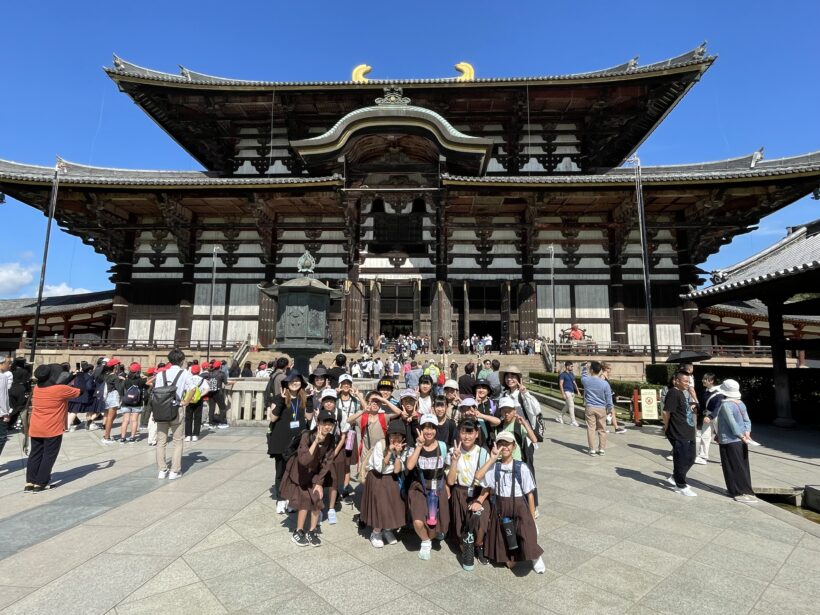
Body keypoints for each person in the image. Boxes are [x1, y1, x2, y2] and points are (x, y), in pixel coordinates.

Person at [477, 431, 545, 573]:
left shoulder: (522, 467)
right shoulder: (494, 466)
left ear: (514, 446)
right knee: (509, 563)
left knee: (527, 533)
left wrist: (532, 519)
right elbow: (478, 476)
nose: (505, 447)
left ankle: (535, 556)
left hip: (519, 505)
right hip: (501, 507)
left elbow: (530, 495)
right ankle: (513, 555)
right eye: (501, 443)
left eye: (508, 444)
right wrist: (492, 458)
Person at [281, 409, 338, 547]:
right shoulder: (307, 435)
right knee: (304, 500)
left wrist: (319, 482)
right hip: (300, 472)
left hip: (315, 473)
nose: (328, 427)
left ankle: (312, 531)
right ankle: (298, 531)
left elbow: (327, 463)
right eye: (325, 423)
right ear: (318, 422)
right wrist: (316, 441)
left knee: (317, 498)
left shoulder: (331, 439)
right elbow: (304, 460)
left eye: (331, 424)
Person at [447, 419, 496, 570]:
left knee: (481, 522)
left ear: (476, 434)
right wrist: (454, 460)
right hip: (459, 492)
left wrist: (480, 501)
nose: (467, 436)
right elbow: (450, 481)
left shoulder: (483, 453)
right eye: (463, 432)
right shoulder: (453, 451)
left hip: (479, 493)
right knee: (461, 527)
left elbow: (489, 482)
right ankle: (466, 547)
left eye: (470, 432)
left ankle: (479, 545)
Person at [25, 364, 80, 492]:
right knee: (49, 455)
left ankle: (30, 483)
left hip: (36, 426)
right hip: (52, 428)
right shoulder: (60, 390)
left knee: (35, 454)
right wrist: (77, 376)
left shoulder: (37, 388)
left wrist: (70, 377)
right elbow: (80, 391)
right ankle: (41, 483)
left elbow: (56, 385)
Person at [405, 414, 451, 561]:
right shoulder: (415, 446)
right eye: (425, 427)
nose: (428, 431)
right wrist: (419, 446)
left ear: (436, 429)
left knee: (435, 526)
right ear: (420, 429)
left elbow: (448, 469)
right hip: (419, 487)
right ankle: (425, 541)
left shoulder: (443, 447)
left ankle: (431, 536)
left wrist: (448, 486)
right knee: (418, 521)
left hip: (438, 487)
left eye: (432, 427)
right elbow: (410, 465)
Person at [268, 371, 314, 514]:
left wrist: (310, 400)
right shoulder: (278, 398)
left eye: (298, 381)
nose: (295, 383)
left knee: (296, 472)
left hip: (297, 441)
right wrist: (281, 401)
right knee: (281, 471)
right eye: (292, 381)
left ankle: (293, 499)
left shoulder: (303, 398)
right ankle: (281, 498)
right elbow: (273, 418)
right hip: (281, 440)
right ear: (287, 383)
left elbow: (309, 417)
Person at [360, 420, 408, 548]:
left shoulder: (404, 448)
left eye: (399, 434)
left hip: (391, 478)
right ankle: (376, 533)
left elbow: (398, 469)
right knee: (380, 506)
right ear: (388, 435)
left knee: (393, 505)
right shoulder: (380, 445)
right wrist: (390, 452)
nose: (396, 437)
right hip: (377, 478)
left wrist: (397, 454)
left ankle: (387, 530)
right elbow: (379, 468)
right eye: (393, 434)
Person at [154, 349, 196, 480]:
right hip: (177, 407)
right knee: (178, 441)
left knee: (161, 441)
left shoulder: (162, 374)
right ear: (182, 360)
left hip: (161, 409)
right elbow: (193, 388)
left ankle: (162, 470)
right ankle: (174, 470)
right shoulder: (185, 373)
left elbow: (156, 391)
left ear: (169, 360)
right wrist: (186, 402)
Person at [715, 379, 757, 503]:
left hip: (729, 440)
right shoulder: (740, 403)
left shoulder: (725, 405)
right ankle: (739, 489)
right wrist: (746, 434)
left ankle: (739, 492)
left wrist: (740, 435)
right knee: (742, 465)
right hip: (742, 440)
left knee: (731, 465)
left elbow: (732, 423)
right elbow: (747, 420)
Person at [663, 370, 698, 497]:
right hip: (678, 433)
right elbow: (666, 412)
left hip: (688, 432)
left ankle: (675, 477)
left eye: (689, 382)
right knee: (681, 459)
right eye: (685, 381)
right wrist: (666, 427)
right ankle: (680, 485)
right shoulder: (673, 393)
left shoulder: (682, 393)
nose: (687, 384)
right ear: (676, 381)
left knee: (691, 457)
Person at [580, 362, 613, 455]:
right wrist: (610, 408)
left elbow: (583, 376)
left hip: (590, 407)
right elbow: (608, 397)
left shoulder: (586, 380)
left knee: (591, 428)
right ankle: (602, 449)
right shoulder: (605, 383)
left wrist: (585, 368)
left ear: (591, 370)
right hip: (601, 408)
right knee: (602, 429)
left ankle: (592, 449)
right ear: (600, 371)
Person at [696, 373, 722, 464]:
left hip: (717, 416)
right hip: (707, 416)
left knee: (721, 437)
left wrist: (711, 416)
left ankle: (725, 458)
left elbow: (718, 407)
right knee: (705, 435)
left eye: (706, 379)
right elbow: (704, 405)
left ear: (712, 381)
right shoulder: (706, 391)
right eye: (703, 378)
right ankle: (702, 456)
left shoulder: (719, 392)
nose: (703, 380)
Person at [119, 363, 148, 443]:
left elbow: (121, 390)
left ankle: (122, 437)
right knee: (134, 420)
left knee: (125, 420)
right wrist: (146, 378)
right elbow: (147, 387)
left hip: (126, 402)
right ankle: (132, 437)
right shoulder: (142, 380)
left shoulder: (126, 380)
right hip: (137, 403)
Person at [184, 363, 210, 442]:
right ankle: (195, 435)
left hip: (189, 399)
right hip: (198, 400)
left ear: (191, 371)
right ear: (199, 371)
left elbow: (184, 389)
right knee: (197, 417)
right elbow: (207, 389)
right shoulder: (202, 380)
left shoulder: (188, 379)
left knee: (188, 417)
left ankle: (188, 435)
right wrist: (200, 395)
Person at [101, 358, 124, 444]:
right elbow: (119, 388)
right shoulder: (115, 377)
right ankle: (106, 437)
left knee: (110, 416)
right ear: (115, 366)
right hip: (112, 397)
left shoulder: (106, 375)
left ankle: (106, 435)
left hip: (106, 397)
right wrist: (122, 381)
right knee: (110, 418)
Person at [66, 362, 94, 431]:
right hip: (80, 396)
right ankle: (67, 426)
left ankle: (66, 425)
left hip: (72, 394)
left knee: (71, 411)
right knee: (74, 411)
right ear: (89, 370)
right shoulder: (88, 377)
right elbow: (89, 387)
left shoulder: (77, 375)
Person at [601, 362, 626, 434]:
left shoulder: (606, 376)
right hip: (606, 398)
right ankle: (616, 428)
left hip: (608, 397)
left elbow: (609, 388)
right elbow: (602, 387)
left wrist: (614, 394)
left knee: (609, 412)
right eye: (609, 368)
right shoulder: (602, 376)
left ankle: (609, 427)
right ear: (605, 368)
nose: (610, 370)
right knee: (611, 412)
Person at [206, 360, 229, 429]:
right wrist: (233, 383)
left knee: (211, 408)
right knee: (222, 408)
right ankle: (221, 423)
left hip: (211, 393)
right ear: (220, 366)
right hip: (218, 393)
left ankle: (211, 423)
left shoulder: (209, 373)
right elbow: (226, 383)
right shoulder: (221, 373)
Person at [557, 362, 579, 426]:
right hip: (567, 392)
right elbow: (561, 384)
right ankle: (573, 421)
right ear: (567, 367)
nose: (572, 367)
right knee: (571, 406)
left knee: (567, 406)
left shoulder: (571, 374)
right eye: (571, 366)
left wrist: (578, 390)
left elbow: (574, 383)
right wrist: (563, 393)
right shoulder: (563, 374)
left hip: (572, 392)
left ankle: (559, 417)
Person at [0, 357, 12, 458]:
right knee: (2, 438)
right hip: (0, 412)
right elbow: (2, 397)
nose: (9, 365)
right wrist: (5, 413)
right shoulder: (2, 377)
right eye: (8, 363)